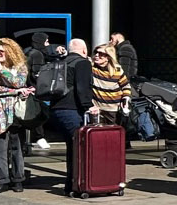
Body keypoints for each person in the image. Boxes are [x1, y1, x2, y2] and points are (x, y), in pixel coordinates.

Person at [47, 39, 97, 187]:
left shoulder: (61, 62)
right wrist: (89, 105)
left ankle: (71, 183)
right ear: (84, 50)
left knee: (72, 146)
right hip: (72, 110)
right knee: (79, 148)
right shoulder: (82, 63)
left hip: (56, 109)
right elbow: (82, 87)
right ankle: (79, 184)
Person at [0, 38, 31, 193]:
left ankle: (18, 180)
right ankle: (2, 180)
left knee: (16, 148)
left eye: (2, 51)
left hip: (16, 111)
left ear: (10, 52)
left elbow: (19, 82)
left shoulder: (20, 67)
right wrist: (15, 91)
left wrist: (3, 72)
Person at [90, 43, 132, 125]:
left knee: (113, 134)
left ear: (108, 57)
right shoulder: (91, 67)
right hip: (97, 109)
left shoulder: (117, 70)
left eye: (101, 54)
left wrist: (126, 98)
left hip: (114, 110)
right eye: (96, 52)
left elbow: (126, 86)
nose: (97, 55)